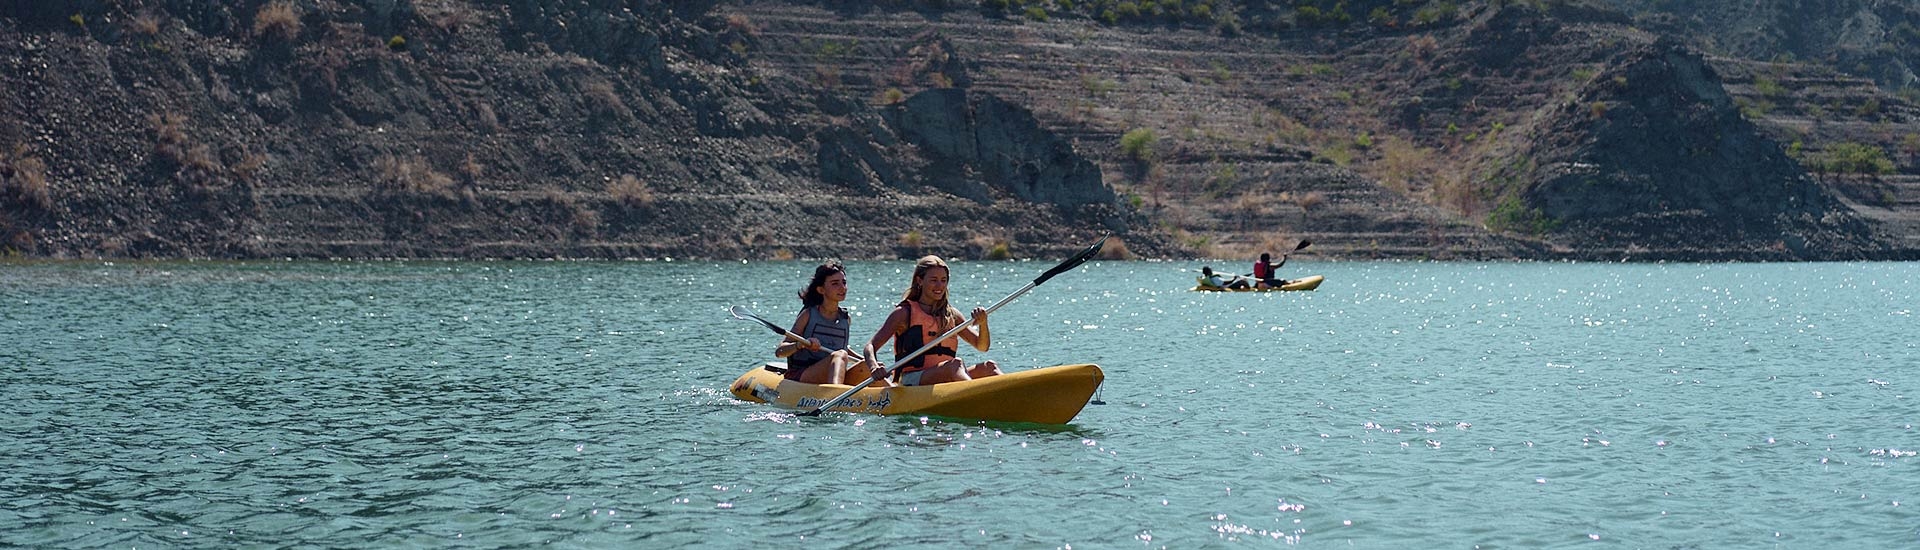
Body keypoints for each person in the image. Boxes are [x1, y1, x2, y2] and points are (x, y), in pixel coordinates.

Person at [862, 255, 1002, 386]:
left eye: (943, 280)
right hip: (912, 380)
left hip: (947, 375)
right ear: (920, 281)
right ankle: (974, 396)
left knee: (989, 367)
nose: (939, 286)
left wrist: (983, 323)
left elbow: (982, 346)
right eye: (933, 280)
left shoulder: (952, 315)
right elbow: (870, 346)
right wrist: (874, 366)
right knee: (955, 365)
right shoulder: (904, 313)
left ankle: (1012, 397)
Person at [775, 261, 873, 385]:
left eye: (844, 282)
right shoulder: (808, 315)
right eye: (835, 284)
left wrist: (871, 364)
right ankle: (835, 394)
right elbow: (780, 352)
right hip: (801, 375)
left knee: (867, 366)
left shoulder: (845, 318)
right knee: (840, 355)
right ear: (821, 289)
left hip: (830, 371)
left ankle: (896, 394)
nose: (842, 288)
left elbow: (843, 349)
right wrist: (800, 345)